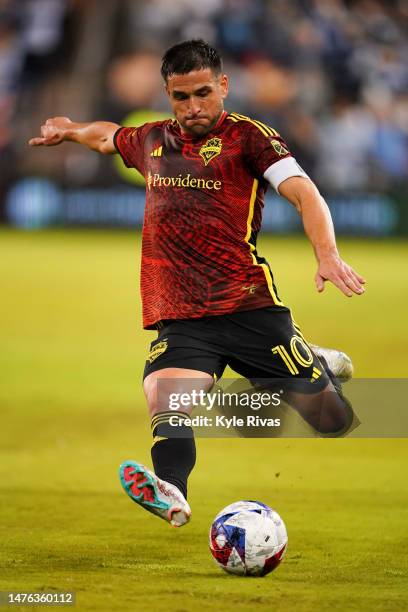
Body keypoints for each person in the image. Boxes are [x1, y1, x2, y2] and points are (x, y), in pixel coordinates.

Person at [29, 39, 365, 528]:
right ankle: (172, 492)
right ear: (168, 94)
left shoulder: (250, 138)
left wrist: (328, 255)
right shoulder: (152, 140)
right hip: (182, 316)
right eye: (181, 97)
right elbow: (108, 137)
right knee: (165, 399)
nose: (194, 107)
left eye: (203, 93)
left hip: (250, 309)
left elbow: (304, 193)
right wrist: (71, 129)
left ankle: (314, 362)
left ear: (224, 86)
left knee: (333, 423)